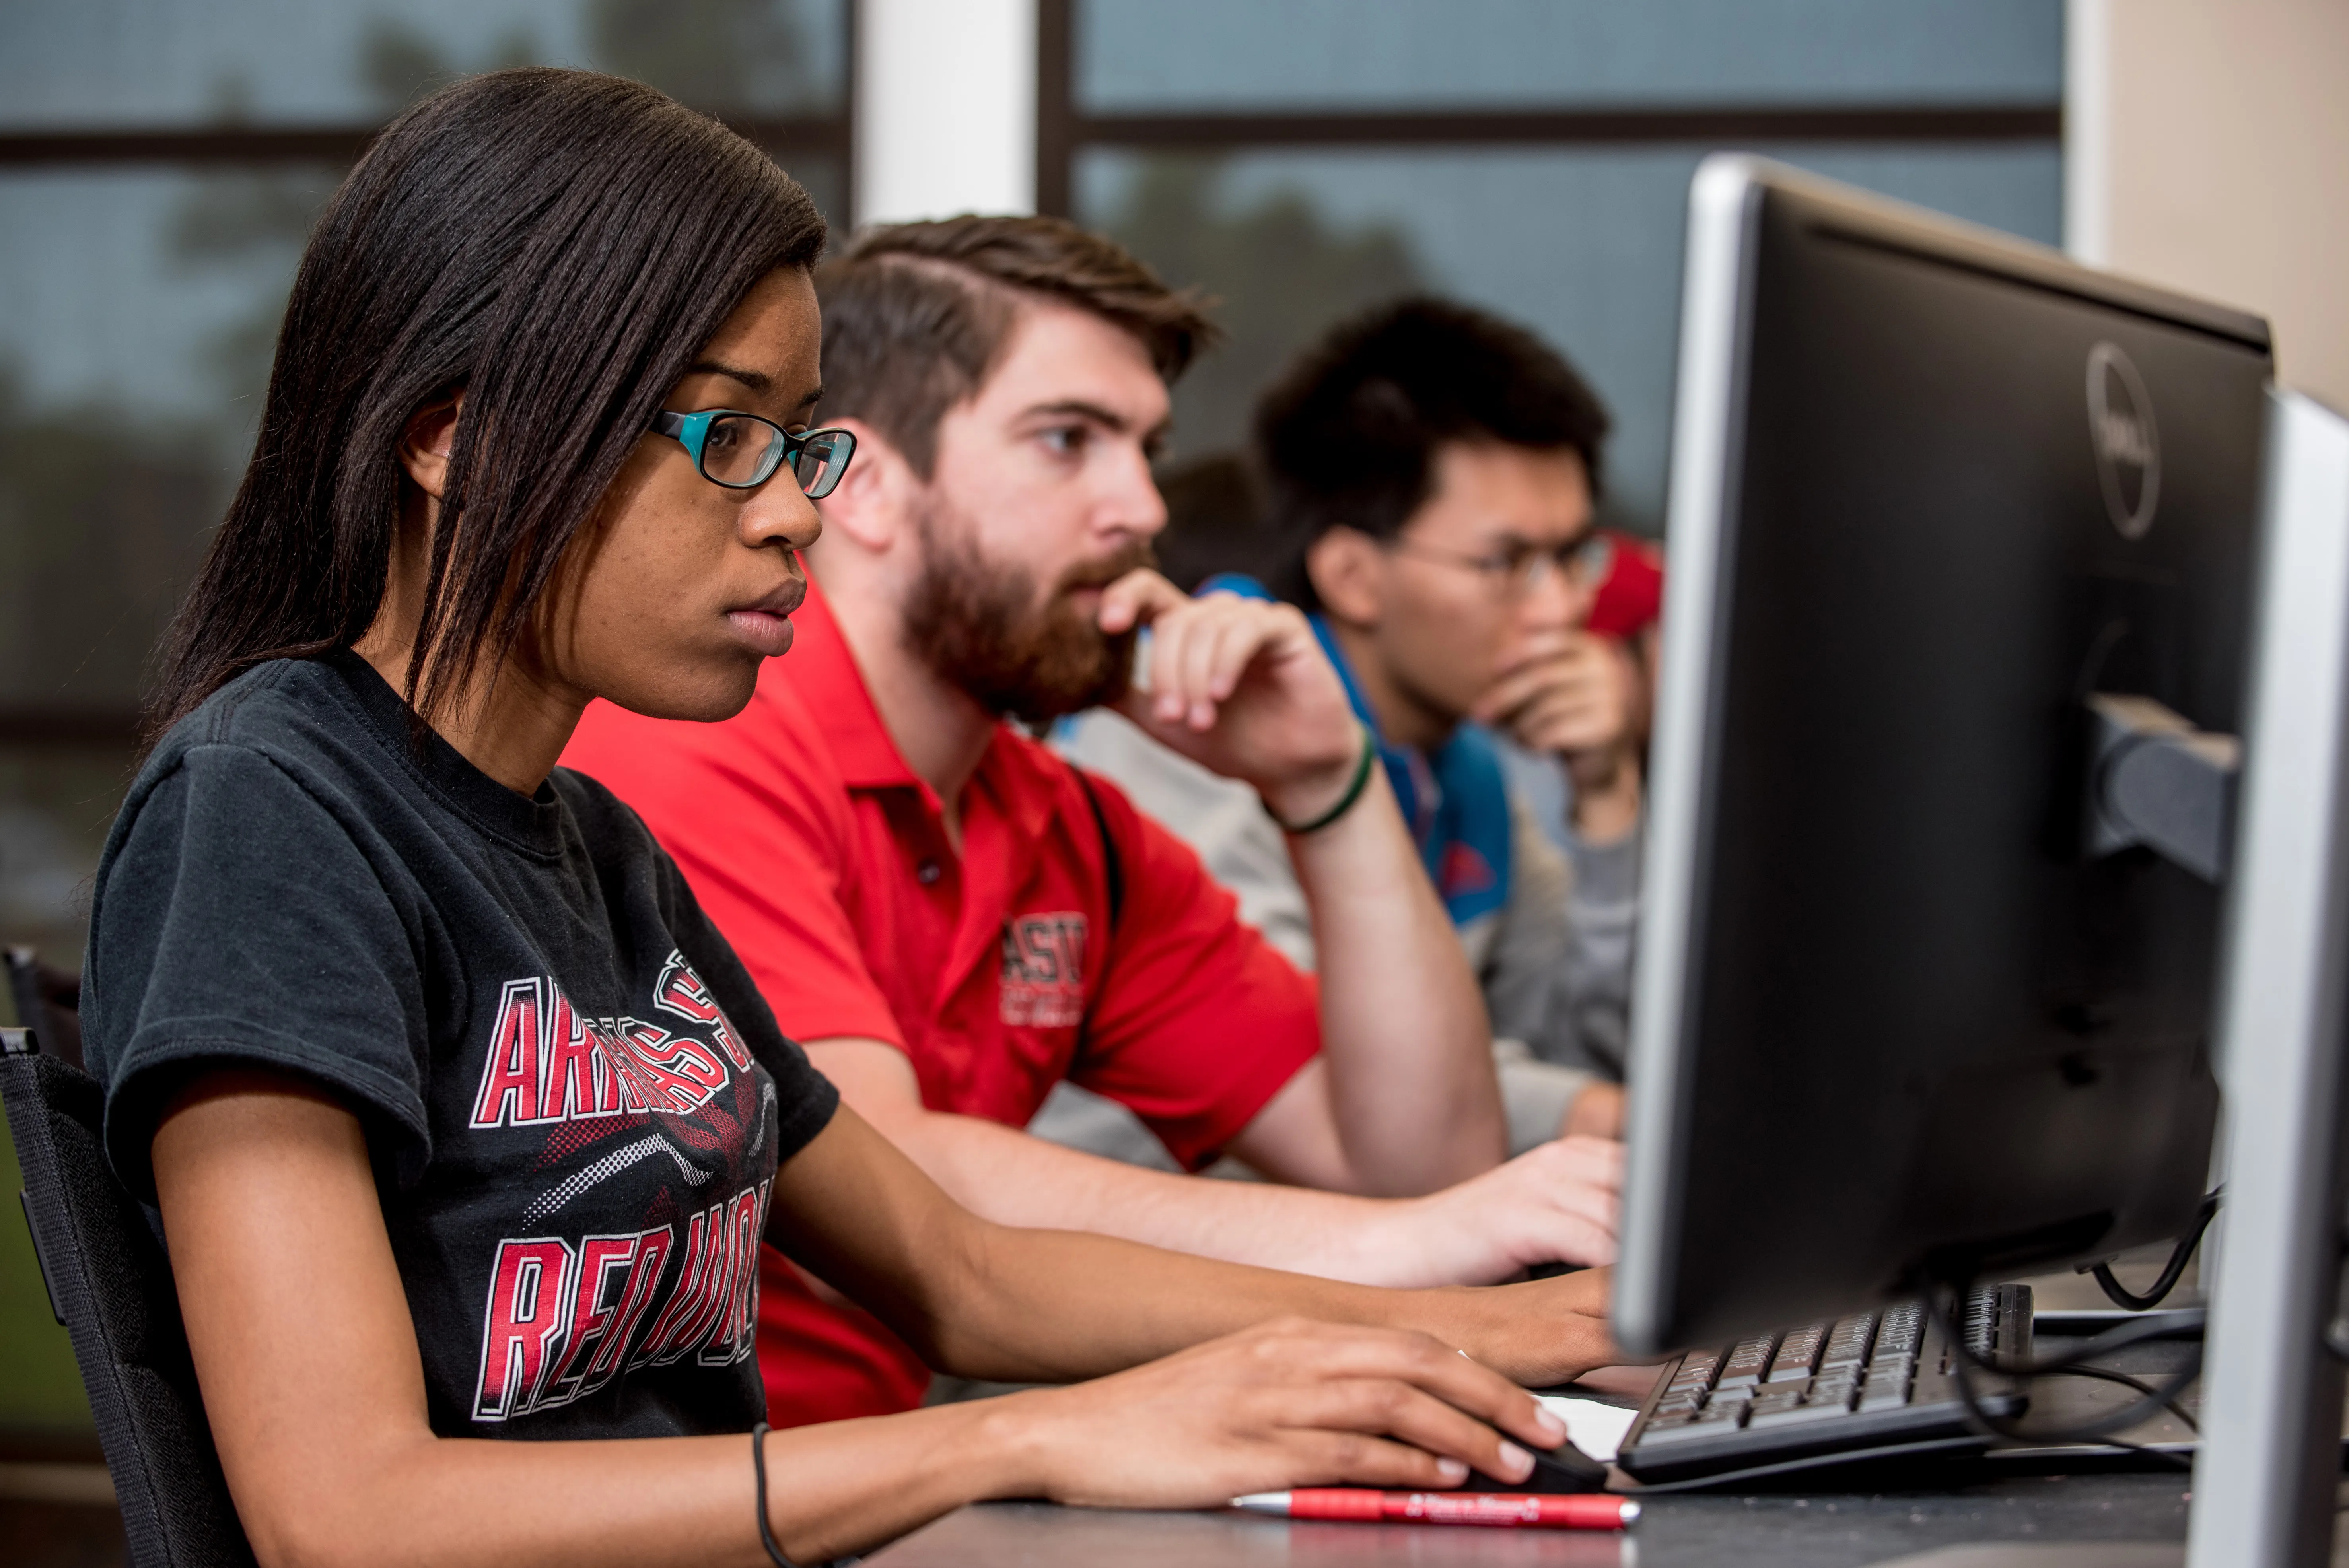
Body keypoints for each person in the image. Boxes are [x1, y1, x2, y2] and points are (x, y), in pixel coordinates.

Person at [82, 71, 1618, 1568]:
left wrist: (1501, 1330)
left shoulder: (600, 851)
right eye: (728, 435)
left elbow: (960, 1274)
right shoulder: (268, 808)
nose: (794, 511)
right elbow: (347, 1516)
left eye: (799, 441)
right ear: (455, 435)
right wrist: (1023, 1441)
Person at [562, 216, 1625, 1428]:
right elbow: (897, 1178)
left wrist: (1326, 787)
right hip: (693, 1501)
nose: (1138, 507)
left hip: (887, 1490)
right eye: (1067, 441)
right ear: (860, 486)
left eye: (1145, 448)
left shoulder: (1070, 825)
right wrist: (1415, 1243)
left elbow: (1419, 1158)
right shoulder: (707, 735)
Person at [1062, 299, 1648, 1129]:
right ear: (1352, 576)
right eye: (1509, 562)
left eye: (1572, 558)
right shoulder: (1202, 717)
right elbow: (1321, 1081)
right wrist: (1618, 1122)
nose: (1558, 608)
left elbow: (1572, 1049)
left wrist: (1605, 796)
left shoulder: (1463, 766)